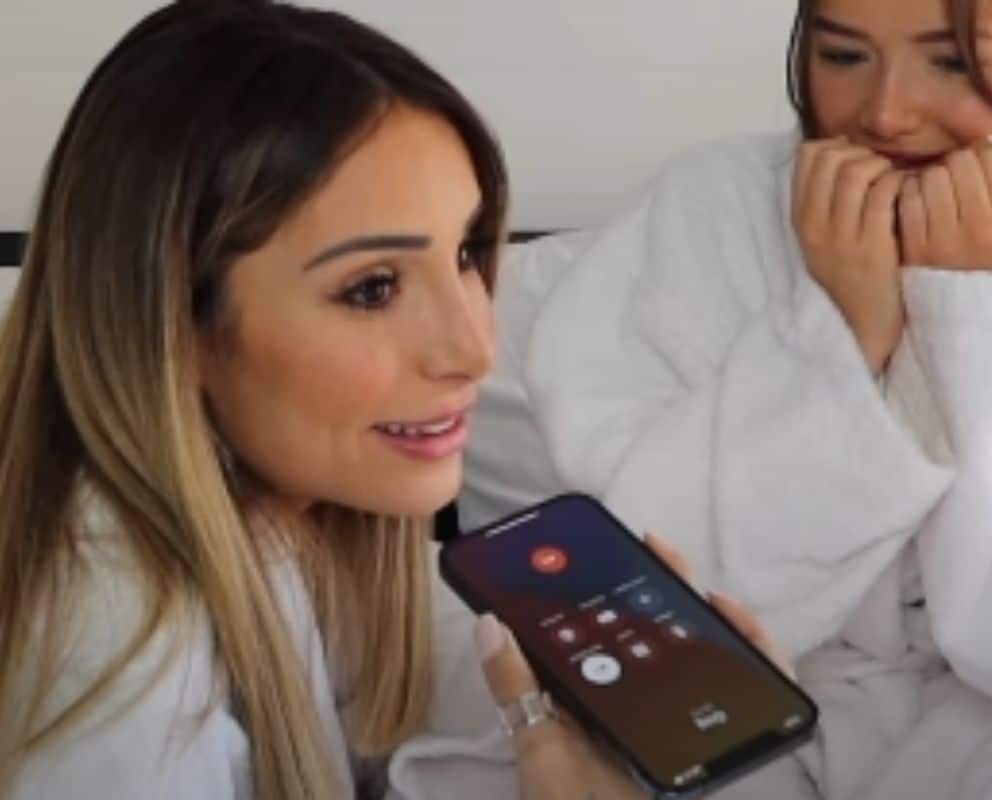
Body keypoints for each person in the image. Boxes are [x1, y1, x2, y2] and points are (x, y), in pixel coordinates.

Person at [406, 0, 992, 797]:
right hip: (756, 708)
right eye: (844, 56)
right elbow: (650, 593)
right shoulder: (711, 211)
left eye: (952, 61)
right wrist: (839, 332)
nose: (885, 113)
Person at [0, 3, 788, 798]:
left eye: (468, 253)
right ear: (174, 323)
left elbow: (416, 668)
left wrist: (574, 683)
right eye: (373, 288)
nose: (474, 351)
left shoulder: (285, 526)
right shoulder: (115, 663)